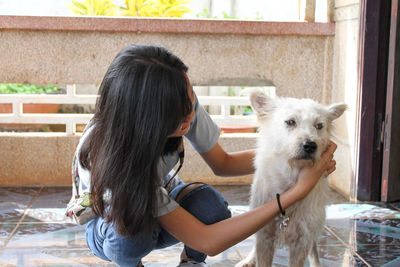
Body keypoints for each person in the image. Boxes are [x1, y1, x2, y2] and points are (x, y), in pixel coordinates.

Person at [73, 44, 337, 267]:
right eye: (178, 111)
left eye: (190, 101)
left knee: (212, 207)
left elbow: (223, 163)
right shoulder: (114, 162)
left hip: (159, 199)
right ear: (145, 119)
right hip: (113, 219)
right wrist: (297, 191)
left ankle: (189, 263)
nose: (190, 114)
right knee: (128, 237)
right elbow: (209, 241)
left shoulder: (180, 101)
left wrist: (294, 154)